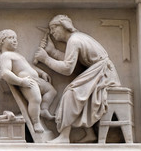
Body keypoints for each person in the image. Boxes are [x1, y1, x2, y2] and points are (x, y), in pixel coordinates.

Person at [34, 14, 121, 143]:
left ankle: (64, 137)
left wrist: (46, 59)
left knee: (71, 93)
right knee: (79, 91)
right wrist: (52, 52)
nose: (52, 33)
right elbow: (75, 63)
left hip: (103, 75)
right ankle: (90, 133)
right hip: (100, 72)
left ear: (64, 26)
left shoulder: (74, 40)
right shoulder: (78, 38)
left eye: (54, 28)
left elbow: (68, 69)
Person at [0, 29, 56, 133]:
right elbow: (5, 72)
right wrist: (21, 81)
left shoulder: (18, 55)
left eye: (15, 38)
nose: (15, 41)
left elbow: (29, 66)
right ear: (2, 41)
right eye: (11, 38)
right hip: (26, 81)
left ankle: (44, 109)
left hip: (36, 79)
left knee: (52, 91)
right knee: (35, 99)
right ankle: (36, 122)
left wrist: (41, 73)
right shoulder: (5, 56)